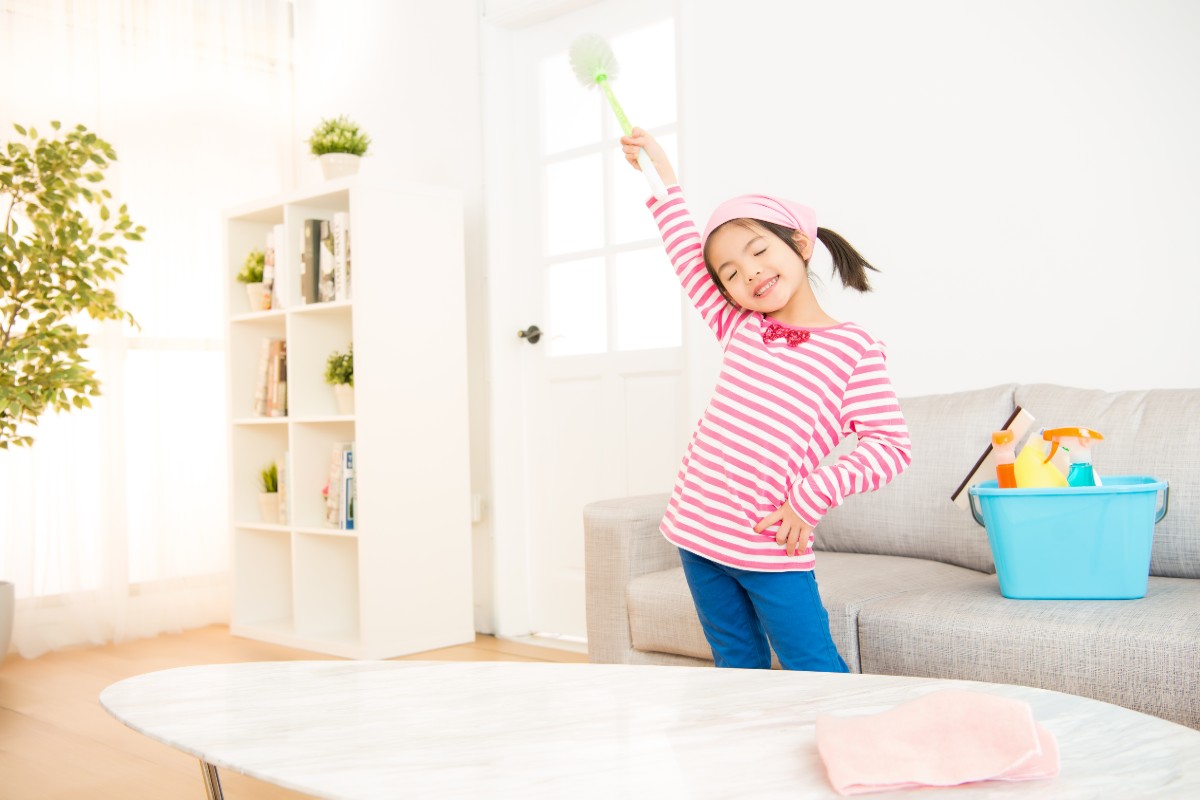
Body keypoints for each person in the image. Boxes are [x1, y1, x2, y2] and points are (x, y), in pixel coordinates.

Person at [619, 128, 912, 672]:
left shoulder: (854, 349)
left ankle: (848, 751)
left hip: (767, 543)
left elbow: (890, 447)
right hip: (695, 526)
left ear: (799, 244)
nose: (748, 271)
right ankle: (749, 753)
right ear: (723, 291)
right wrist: (659, 173)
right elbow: (686, 250)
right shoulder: (739, 326)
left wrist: (810, 497)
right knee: (735, 664)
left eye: (758, 251)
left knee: (812, 666)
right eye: (730, 272)